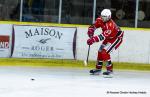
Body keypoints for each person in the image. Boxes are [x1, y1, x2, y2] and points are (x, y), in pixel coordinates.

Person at [87, 9, 124, 76]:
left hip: (116, 38)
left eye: (105, 17)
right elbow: (93, 26)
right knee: (100, 51)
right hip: (109, 37)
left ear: (109, 17)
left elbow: (102, 36)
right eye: (102, 16)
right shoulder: (99, 19)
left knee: (105, 52)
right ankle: (98, 69)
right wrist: (90, 31)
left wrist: (93, 40)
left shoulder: (110, 25)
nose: (103, 18)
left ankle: (110, 70)